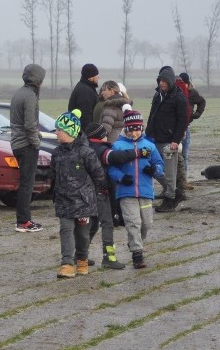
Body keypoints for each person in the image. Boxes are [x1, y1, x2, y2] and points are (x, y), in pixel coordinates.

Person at [49, 110, 105, 278]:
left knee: (82, 235)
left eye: (59, 129)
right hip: (64, 202)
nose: (56, 132)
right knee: (66, 230)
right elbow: (53, 174)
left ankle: (82, 260)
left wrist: (93, 196)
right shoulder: (56, 153)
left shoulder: (86, 153)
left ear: (70, 131)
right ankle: (67, 263)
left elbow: (98, 175)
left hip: (83, 203)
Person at [108, 110, 164, 269]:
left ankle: (135, 241)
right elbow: (111, 168)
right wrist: (120, 177)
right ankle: (137, 254)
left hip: (146, 192)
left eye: (137, 129)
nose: (134, 132)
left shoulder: (150, 146)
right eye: (131, 129)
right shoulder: (117, 146)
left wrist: (154, 170)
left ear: (142, 127)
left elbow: (160, 165)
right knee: (133, 222)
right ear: (126, 128)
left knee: (146, 223)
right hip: (126, 192)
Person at [83, 121, 143, 270]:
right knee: (107, 224)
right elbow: (116, 157)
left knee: (92, 225)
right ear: (100, 136)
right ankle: (108, 257)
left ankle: (80, 255)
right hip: (99, 192)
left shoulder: (85, 148)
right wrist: (138, 153)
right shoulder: (100, 150)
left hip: (86, 192)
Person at [145, 66, 188, 212]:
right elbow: (152, 115)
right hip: (153, 138)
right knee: (153, 168)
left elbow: (183, 121)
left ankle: (170, 199)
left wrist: (176, 140)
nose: (161, 83)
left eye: (163, 81)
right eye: (159, 80)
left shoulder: (179, 98)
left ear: (170, 81)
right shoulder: (158, 95)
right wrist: (147, 133)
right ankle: (174, 192)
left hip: (169, 141)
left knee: (170, 171)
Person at [9, 63, 46, 232]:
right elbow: (30, 124)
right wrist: (36, 143)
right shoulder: (30, 96)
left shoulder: (18, 93)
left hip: (17, 143)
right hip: (26, 145)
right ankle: (23, 221)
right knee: (27, 184)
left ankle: (23, 220)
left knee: (24, 183)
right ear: (37, 79)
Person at [179, 72, 206, 184]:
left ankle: (183, 180)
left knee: (184, 155)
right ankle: (177, 179)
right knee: (177, 155)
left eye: (184, 83)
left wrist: (197, 114)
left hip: (187, 127)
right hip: (177, 128)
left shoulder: (192, 93)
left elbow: (202, 102)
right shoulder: (177, 92)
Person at [68, 63, 100, 129]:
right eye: (96, 75)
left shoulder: (87, 87)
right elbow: (86, 115)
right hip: (84, 132)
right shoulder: (85, 91)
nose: (98, 77)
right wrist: (89, 132)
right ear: (91, 78)